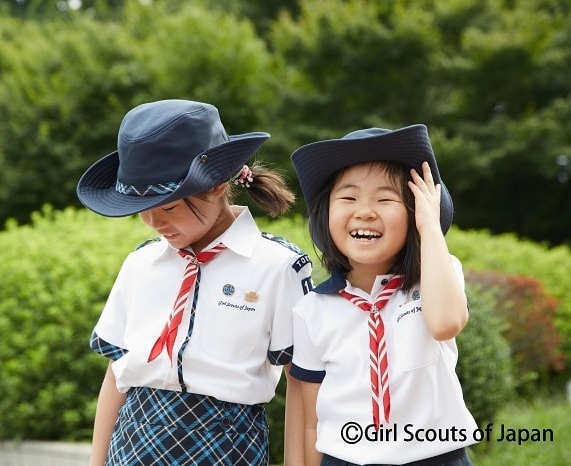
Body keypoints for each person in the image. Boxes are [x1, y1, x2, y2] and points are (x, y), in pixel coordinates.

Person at [77, 99, 313, 466]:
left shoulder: (278, 266)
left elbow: (302, 381)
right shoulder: (141, 264)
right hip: (133, 444)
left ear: (217, 185)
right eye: (142, 210)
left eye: (168, 207)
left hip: (226, 447)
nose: (155, 223)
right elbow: (117, 373)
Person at [289, 125, 478, 465]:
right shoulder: (311, 309)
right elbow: (310, 422)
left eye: (385, 199)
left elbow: (446, 323)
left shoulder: (437, 277)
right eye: (348, 198)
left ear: (414, 213)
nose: (364, 211)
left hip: (436, 456)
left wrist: (430, 227)